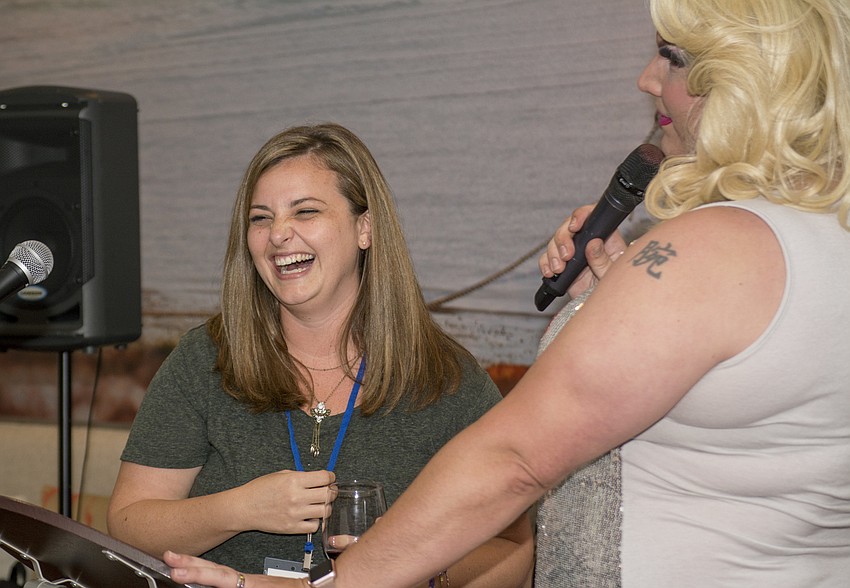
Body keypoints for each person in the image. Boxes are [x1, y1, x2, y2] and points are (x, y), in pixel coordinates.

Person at [166, 0, 850, 585]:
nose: (647, 79)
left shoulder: (708, 249)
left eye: (672, 57)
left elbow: (516, 461)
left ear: (745, 75)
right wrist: (603, 298)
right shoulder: (823, 235)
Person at [107, 122, 533, 586]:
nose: (278, 235)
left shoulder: (447, 378)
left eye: (305, 212)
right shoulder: (204, 359)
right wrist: (242, 508)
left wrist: (406, 566)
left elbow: (512, 548)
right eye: (260, 218)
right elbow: (129, 523)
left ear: (365, 228)